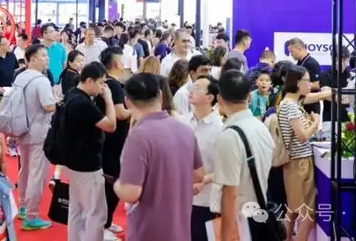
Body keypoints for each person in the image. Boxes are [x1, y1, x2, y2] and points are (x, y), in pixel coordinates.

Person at [114, 73, 205, 240]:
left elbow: (130, 192)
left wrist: (117, 185)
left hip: (149, 231)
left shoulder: (138, 136)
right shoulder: (185, 130)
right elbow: (198, 174)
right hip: (181, 229)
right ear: (161, 96)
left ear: (128, 102)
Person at [214, 69, 275, 241]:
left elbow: (230, 192)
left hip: (238, 222)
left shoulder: (229, 136)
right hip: (258, 213)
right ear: (249, 97)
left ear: (219, 99)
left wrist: (225, 235)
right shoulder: (261, 127)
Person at [62, 62, 117, 241]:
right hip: (87, 164)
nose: (102, 88)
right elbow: (111, 125)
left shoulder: (71, 94)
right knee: (96, 213)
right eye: (101, 83)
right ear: (89, 81)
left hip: (72, 161)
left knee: (76, 210)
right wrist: (109, 99)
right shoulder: (82, 103)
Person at [13, 44, 56, 230]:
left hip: (21, 128)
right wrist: (58, 102)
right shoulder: (41, 80)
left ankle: (23, 207)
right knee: (36, 174)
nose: (47, 59)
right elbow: (48, 106)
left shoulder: (20, 77)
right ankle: (31, 216)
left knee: (25, 170)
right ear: (32, 59)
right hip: (39, 132)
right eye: (43, 56)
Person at [279, 65, 319, 241]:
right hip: (300, 161)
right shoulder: (291, 106)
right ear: (297, 83)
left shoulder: (288, 103)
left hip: (293, 161)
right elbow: (302, 136)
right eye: (307, 81)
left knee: (293, 208)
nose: (310, 84)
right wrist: (315, 123)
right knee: (307, 213)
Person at [96, 46, 131, 240]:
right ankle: (103, 224)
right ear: (117, 63)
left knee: (111, 182)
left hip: (109, 140)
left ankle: (107, 221)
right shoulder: (114, 86)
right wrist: (138, 110)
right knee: (112, 182)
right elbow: (120, 113)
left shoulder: (107, 83)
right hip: (113, 141)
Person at [182, 75, 222, 241]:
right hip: (179, 197)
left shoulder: (220, 129)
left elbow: (225, 169)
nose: (191, 90)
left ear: (210, 98)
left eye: (197, 88)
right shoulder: (182, 122)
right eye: (192, 87)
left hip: (205, 201)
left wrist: (203, 180)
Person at [287, 38, 322, 115]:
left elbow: (318, 84)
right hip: (300, 103)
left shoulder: (312, 63)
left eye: (291, 51)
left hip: (311, 105)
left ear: (299, 49)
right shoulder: (298, 63)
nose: (290, 54)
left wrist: (300, 85)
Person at [319, 46, 352, 123]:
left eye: (345, 60)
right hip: (330, 118)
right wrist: (348, 91)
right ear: (332, 59)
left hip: (348, 118)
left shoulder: (351, 75)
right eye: (337, 60)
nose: (341, 63)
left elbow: (352, 99)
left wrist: (333, 92)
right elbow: (326, 96)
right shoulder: (325, 75)